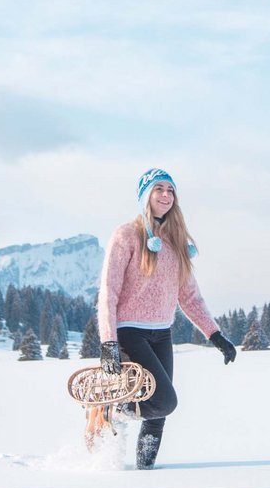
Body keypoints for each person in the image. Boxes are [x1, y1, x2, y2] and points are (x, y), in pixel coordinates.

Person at [98, 167, 236, 470]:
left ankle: (146, 473)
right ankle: (118, 411)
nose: (165, 195)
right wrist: (109, 341)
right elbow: (108, 291)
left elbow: (189, 297)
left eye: (170, 190)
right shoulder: (126, 235)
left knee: (158, 416)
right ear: (145, 196)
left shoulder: (176, 243)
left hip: (161, 333)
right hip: (130, 332)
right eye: (158, 188)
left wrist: (215, 335)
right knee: (164, 402)